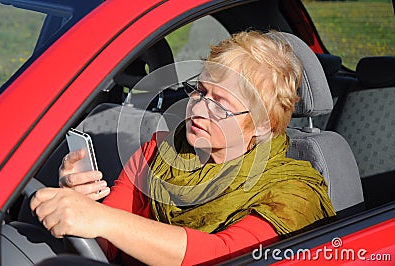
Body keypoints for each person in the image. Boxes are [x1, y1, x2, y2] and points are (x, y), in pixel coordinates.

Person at [30, 30, 336, 265]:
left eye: (222, 103)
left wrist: (101, 218)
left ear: (262, 125)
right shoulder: (159, 152)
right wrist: (79, 204)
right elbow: (107, 248)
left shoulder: (294, 194)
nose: (200, 109)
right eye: (201, 91)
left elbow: (225, 255)